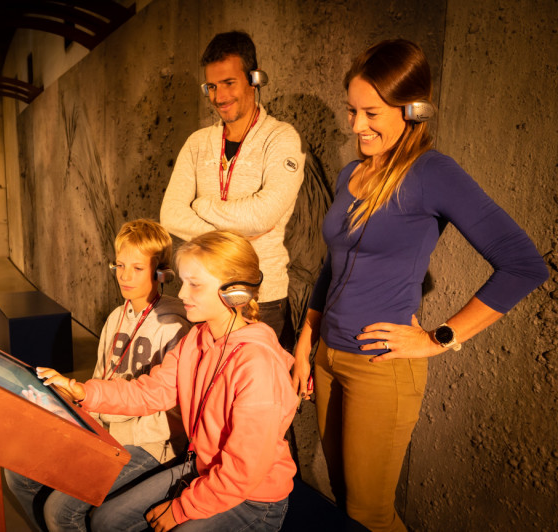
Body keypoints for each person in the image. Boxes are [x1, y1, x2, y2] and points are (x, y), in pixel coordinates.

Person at [290, 40, 549, 532]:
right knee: (345, 501)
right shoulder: (351, 174)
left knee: (370, 515)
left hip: (381, 372)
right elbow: (333, 264)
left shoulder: (432, 173)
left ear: (413, 110)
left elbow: (523, 264)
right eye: (351, 111)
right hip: (327, 360)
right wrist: (307, 341)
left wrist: (439, 338)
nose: (356, 126)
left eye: (370, 112)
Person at [39, 230, 298, 531]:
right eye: (184, 282)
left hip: (254, 497)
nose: (183, 294)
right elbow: (151, 392)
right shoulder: (197, 339)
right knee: (107, 520)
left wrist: (182, 508)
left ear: (235, 293)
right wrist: (84, 391)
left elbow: (243, 469)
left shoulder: (257, 365)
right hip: (203, 470)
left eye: (195, 285)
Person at [5, 219, 191, 531]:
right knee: (17, 475)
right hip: (105, 433)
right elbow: (99, 381)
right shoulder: (116, 318)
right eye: (119, 265)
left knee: (61, 511)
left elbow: (171, 415)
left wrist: (109, 440)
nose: (124, 276)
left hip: (149, 444)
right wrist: (76, 409)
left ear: (161, 273)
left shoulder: (175, 326)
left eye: (137, 268)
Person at [160, 30, 305, 343]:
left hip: (263, 299)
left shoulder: (281, 139)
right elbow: (170, 214)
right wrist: (238, 232)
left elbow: (263, 215)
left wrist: (202, 205)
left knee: (264, 391)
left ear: (254, 78)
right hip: (208, 297)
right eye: (212, 86)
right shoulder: (197, 143)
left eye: (228, 83)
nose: (219, 96)